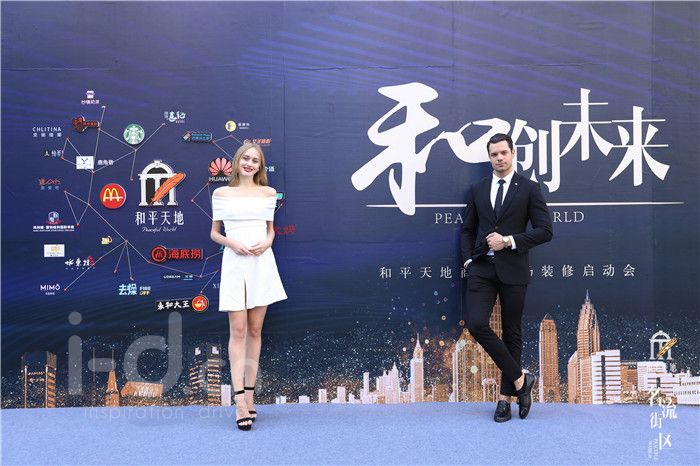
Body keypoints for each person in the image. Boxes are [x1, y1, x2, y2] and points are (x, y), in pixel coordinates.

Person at [461, 133, 553, 422]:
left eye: (503, 152)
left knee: (512, 333)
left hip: (513, 267)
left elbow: (545, 231)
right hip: (482, 268)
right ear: (489, 158)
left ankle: (504, 400)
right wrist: (468, 260)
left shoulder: (529, 188)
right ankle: (522, 380)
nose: (499, 158)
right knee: (476, 323)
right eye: (494, 154)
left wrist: (509, 241)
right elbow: (467, 229)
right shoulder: (478, 189)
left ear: (513, 153)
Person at [210, 142, 287, 430]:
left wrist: (267, 243)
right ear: (237, 161)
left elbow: (270, 230)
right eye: (246, 158)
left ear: (260, 166)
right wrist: (231, 242)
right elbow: (214, 233)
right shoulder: (221, 193)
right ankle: (239, 400)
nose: (249, 163)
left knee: (255, 330)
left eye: (255, 160)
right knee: (238, 330)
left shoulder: (268, 193)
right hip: (234, 262)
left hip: (261, 263)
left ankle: (251, 396)